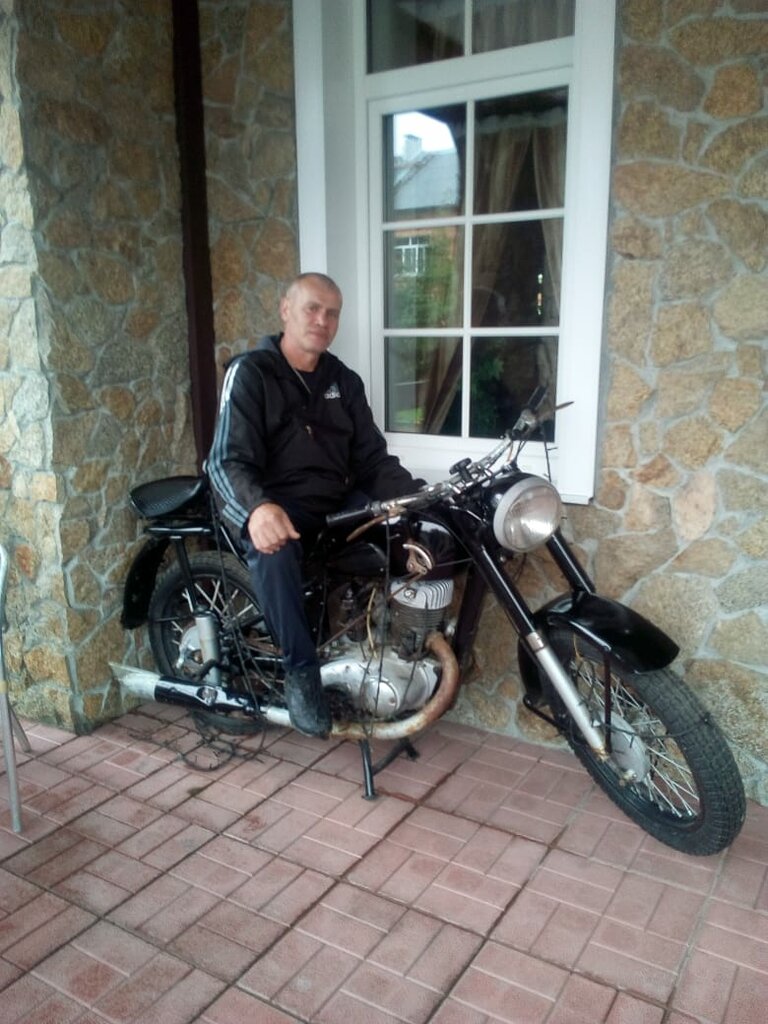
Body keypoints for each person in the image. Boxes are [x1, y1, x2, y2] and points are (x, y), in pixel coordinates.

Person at [206, 272, 423, 737]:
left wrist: (414, 498)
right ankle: (300, 673)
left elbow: (371, 460)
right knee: (274, 549)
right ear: (286, 309)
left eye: (332, 313)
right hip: (278, 507)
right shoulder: (252, 373)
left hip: (335, 505)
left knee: (409, 530)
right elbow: (225, 461)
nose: (322, 320)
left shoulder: (343, 381)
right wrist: (257, 509)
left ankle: (388, 653)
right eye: (312, 309)